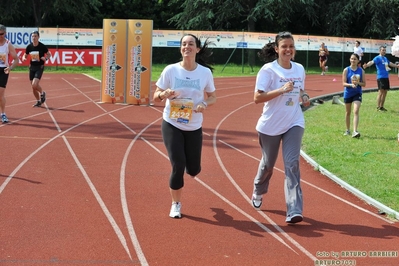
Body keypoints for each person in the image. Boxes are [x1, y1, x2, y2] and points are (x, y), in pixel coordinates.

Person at [153, 34, 216, 219]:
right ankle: (176, 204)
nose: (186, 47)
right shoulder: (171, 70)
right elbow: (155, 95)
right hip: (172, 123)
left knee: (194, 169)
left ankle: (190, 168)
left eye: (190, 44)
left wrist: (204, 103)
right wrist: (164, 94)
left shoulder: (205, 73)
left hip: (194, 126)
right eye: (183, 44)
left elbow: (213, 96)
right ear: (180, 48)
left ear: (197, 49)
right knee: (178, 164)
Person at [251, 31, 310, 224]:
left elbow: (301, 89)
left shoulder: (299, 68)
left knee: (292, 163)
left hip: (294, 121)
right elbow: (257, 98)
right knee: (268, 164)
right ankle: (258, 190)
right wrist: (280, 90)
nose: (288, 50)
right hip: (271, 125)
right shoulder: (268, 70)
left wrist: (304, 97)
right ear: (276, 49)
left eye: (291, 46)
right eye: (284, 46)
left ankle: (294, 210)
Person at [363, 46, 399, 111]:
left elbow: (390, 63)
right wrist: (367, 65)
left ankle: (382, 106)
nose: (384, 51)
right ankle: (378, 106)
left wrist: (396, 66)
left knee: (385, 92)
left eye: (385, 50)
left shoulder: (385, 58)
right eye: (383, 50)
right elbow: (371, 62)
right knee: (381, 91)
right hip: (381, 77)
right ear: (380, 51)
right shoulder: (377, 58)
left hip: (386, 77)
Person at [22, 30, 51, 107]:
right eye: (32, 36)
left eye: (35, 36)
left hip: (39, 67)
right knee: (33, 87)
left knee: (35, 84)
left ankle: (42, 93)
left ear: (38, 37)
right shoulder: (29, 46)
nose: (34, 38)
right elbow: (25, 54)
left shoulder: (42, 46)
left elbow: (49, 54)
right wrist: (24, 58)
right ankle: (38, 101)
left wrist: (46, 59)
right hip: (32, 67)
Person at [342, 53, 366, 138]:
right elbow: (343, 83)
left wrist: (358, 83)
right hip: (348, 93)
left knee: (355, 111)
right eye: (352, 59)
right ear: (350, 59)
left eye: (355, 59)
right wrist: (350, 85)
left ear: (358, 60)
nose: (353, 60)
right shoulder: (346, 70)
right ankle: (348, 130)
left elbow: (364, 84)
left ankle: (355, 131)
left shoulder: (361, 71)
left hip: (357, 93)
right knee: (348, 112)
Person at [0, 24, 18, 124]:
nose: (0, 36)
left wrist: (10, 68)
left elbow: (16, 59)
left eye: (1, 34)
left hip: (4, 70)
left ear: (5, 33)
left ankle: (3, 114)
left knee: (1, 93)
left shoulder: (8, 44)